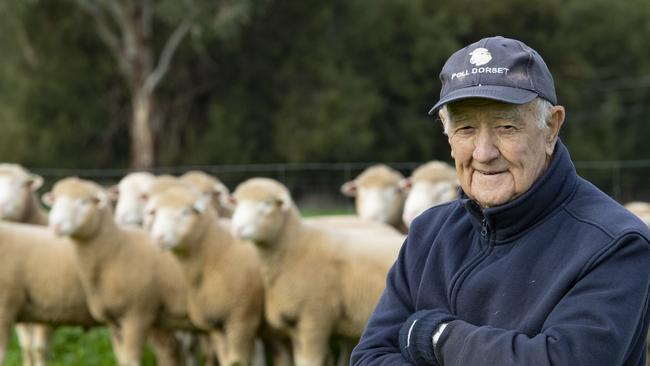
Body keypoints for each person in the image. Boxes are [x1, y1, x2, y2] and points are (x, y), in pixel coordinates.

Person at [351, 36, 650, 365]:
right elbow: (370, 358)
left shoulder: (615, 244)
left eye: (506, 126)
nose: (483, 153)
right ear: (447, 134)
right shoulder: (429, 233)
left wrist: (437, 336)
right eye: (465, 128)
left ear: (551, 127)